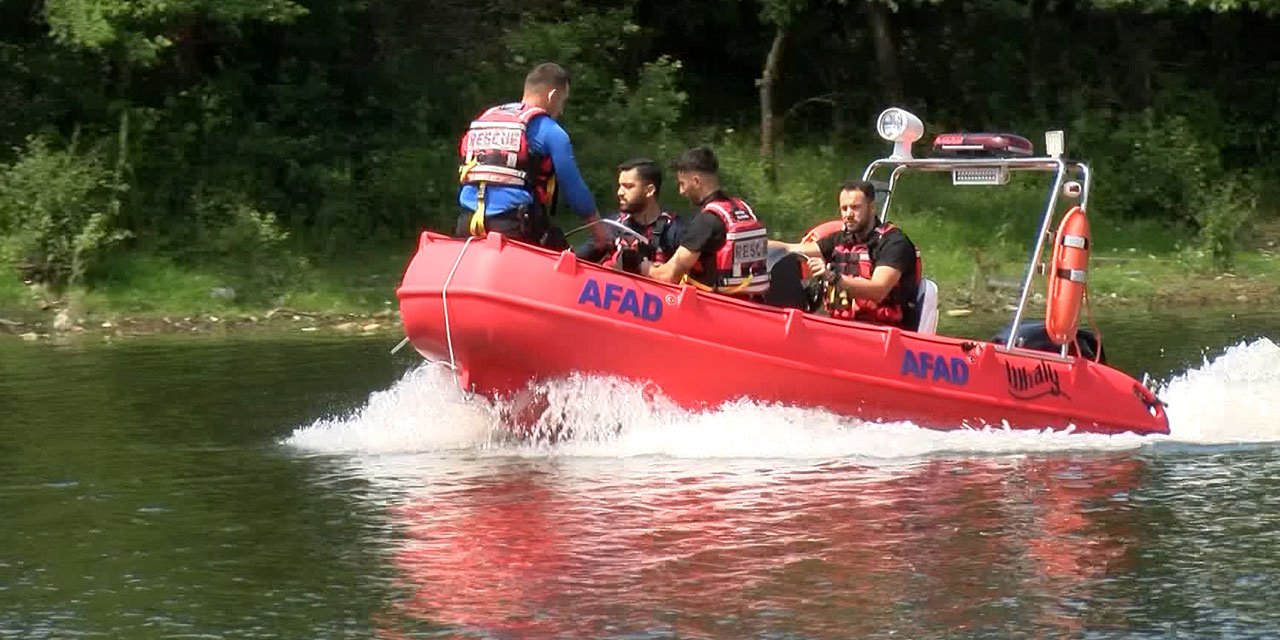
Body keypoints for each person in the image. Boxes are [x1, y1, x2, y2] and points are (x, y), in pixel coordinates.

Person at [455, 62, 609, 252]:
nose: (560, 110)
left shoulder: (485, 120)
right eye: (562, 101)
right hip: (514, 226)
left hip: (466, 223)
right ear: (552, 95)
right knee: (563, 259)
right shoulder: (549, 130)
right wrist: (599, 231)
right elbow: (575, 190)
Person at [768, 180, 921, 328]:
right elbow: (791, 248)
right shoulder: (840, 239)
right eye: (844, 208)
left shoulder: (894, 243)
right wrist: (755, 243)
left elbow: (878, 290)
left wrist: (832, 277)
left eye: (855, 207)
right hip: (843, 327)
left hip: (883, 331)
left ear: (871, 207)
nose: (848, 214)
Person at [643, 147, 770, 299]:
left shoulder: (706, 221)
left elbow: (669, 276)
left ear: (696, 181)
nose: (681, 191)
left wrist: (644, 267)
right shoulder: (743, 209)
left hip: (716, 308)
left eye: (682, 184)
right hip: (751, 303)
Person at [575, 158, 683, 274]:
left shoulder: (675, 231)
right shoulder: (612, 226)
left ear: (650, 190)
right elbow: (576, 262)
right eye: (620, 186)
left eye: (628, 186)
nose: (620, 193)